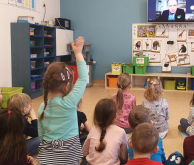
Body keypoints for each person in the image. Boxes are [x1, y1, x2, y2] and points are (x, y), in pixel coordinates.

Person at [37, 36, 88, 165]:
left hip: (46, 158)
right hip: (69, 158)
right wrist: (78, 52)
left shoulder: (42, 107)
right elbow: (83, 78)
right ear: (66, 87)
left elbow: (41, 136)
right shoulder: (69, 103)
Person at [82, 98, 128, 165]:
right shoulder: (121, 132)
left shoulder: (93, 130)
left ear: (96, 116)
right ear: (115, 115)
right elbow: (124, 157)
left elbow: (84, 152)